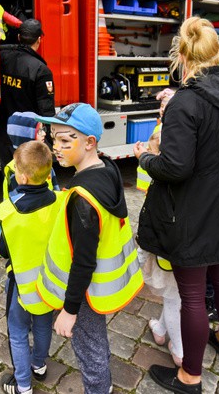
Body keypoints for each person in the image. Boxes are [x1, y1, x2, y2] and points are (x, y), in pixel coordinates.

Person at [134, 17, 219, 394]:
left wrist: (144, 158)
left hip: (194, 208)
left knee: (192, 292)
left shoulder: (186, 101)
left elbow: (175, 167)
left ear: (183, 57)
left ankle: (189, 377)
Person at [35, 103, 143, 394]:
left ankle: (98, 388)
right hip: (97, 288)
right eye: (53, 137)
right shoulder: (106, 167)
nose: (56, 147)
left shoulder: (83, 198)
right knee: (95, 339)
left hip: (83, 292)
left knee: (87, 343)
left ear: (89, 142)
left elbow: (84, 261)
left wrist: (70, 310)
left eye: (65, 140)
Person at [0, 141, 64, 394]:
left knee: (18, 332)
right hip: (48, 281)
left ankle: (22, 385)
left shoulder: (8, 211)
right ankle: (39, 365)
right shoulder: (59, 201)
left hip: (20, 283)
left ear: (21, 175)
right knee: (42, 325)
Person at [136, 127, 184, 367]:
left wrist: (139, 256)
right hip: (186, 250)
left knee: (174, 299)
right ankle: (160, 328)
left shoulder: (161, 187)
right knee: (173, 297)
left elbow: (148, 227)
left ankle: (179, 351)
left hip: (168, 254)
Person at [0, 19, 56, 167]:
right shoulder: (41, 70)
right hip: (28, 137)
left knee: (10, 174)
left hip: (5, 133)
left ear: (18, 38)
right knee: (29, 178)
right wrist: (52, 138)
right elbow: (46, 110)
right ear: (39, 40)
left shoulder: (2, 57)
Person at [1, 111, 60, 199]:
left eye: (43, 129)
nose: (44, 133)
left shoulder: (46, 162)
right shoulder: (15, 172)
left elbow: (56, 191)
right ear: (26, 138)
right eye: (39, 130)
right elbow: (17, 205)